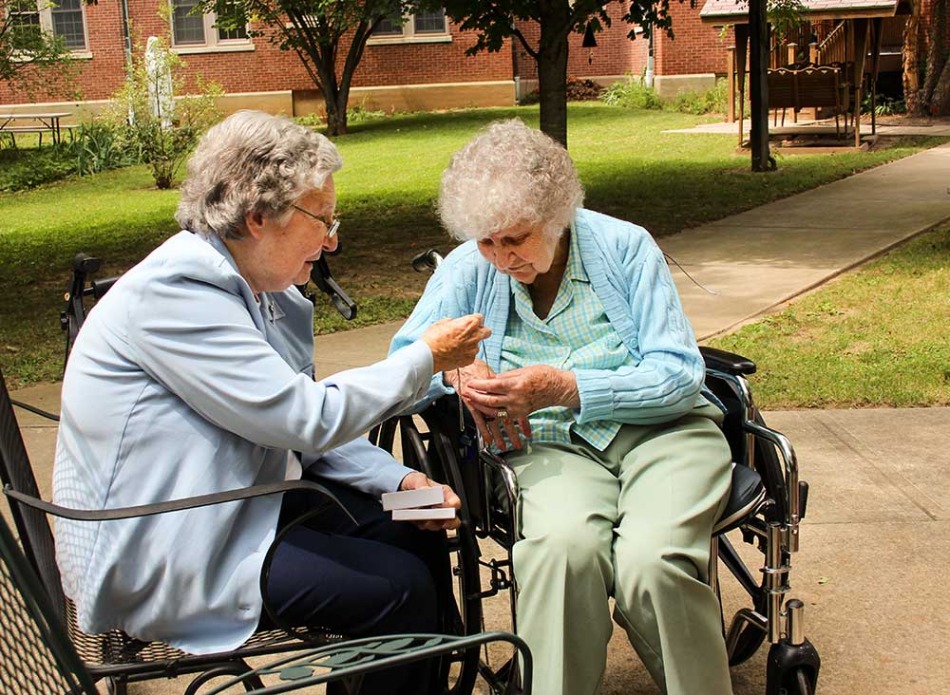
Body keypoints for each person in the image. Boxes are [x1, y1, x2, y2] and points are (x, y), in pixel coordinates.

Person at [52, 110, 490, 695]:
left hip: (237, 506)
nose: (333, 238)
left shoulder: (261, 294)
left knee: (418, 525)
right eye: (322, 219)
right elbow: (306, 418)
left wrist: (403, 481)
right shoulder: (175, 297)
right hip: (168, 544)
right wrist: (426, 358)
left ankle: (420, 679)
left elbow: (299, 423)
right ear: (258, 217)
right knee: (396, 589)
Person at [390, 119, 734, 695]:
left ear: (558, 216)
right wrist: (454, 367)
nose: (500, 258)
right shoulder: (468, 266)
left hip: (664, 432)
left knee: (654, 564)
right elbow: (404, 360)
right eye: (486, 241)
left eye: (516, 239)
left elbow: (678, 374)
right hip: (550, 448)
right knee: (559, 552)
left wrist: (565, 387)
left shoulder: (625, 247)